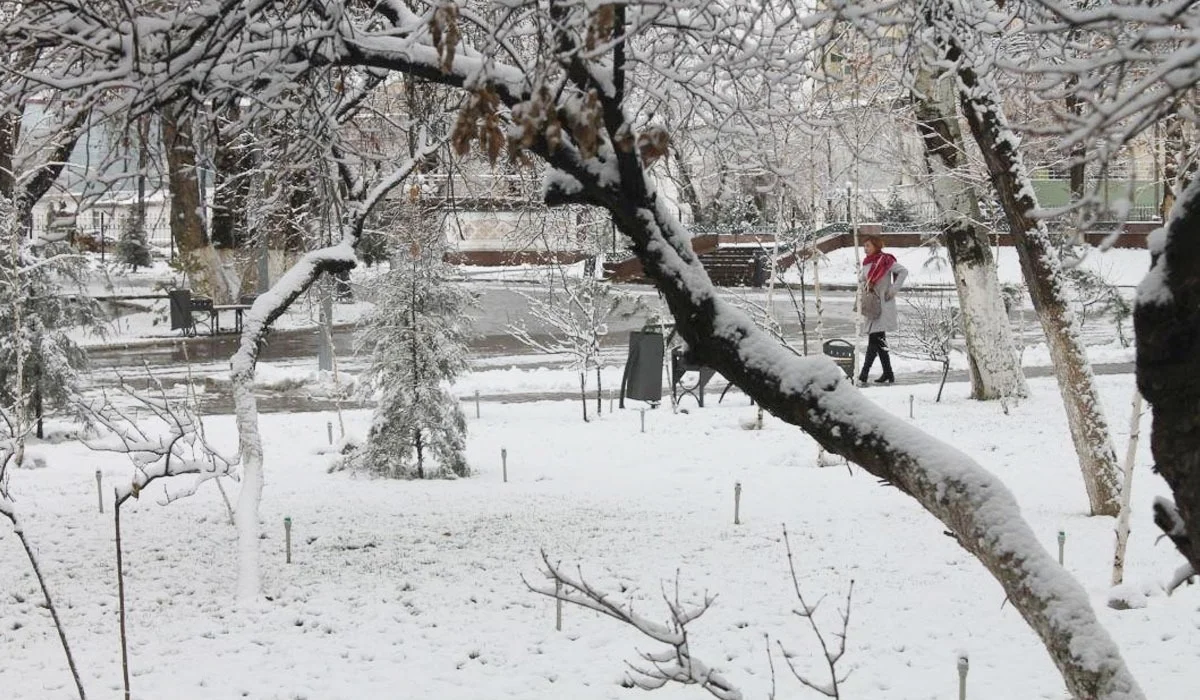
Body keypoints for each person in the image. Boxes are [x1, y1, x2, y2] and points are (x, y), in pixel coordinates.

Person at [857, 234, 907, 387]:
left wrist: (892, 290)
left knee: (875, 339)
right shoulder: (866, 263)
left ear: (876, 246)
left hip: (883, 305)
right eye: (864, 246)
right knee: (879, 340)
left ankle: (863, 374)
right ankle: (888, 373)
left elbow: (903, 272)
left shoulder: (886, 261)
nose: (865, 249)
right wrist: (864, 282)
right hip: (872, 305)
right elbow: (862, 280)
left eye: (868, 246)